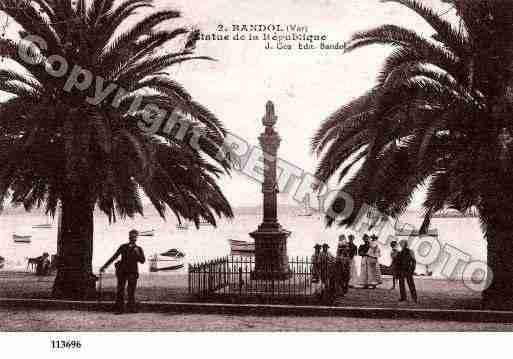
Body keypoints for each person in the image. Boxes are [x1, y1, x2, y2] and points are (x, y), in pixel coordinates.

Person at [101, 230, 146, 313]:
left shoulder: (139, 249)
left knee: (131, 291)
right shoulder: (123, 247)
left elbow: (142, 261)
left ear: (136, 238)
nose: (133, 238)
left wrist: (137, 253)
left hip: (133, 272)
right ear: (129, 237)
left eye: (135, 236)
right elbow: (114, 257)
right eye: (131, 236)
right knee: (120, 290)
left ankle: (131, 308)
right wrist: (105, 266)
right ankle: (119, 309)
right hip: (122, 271)